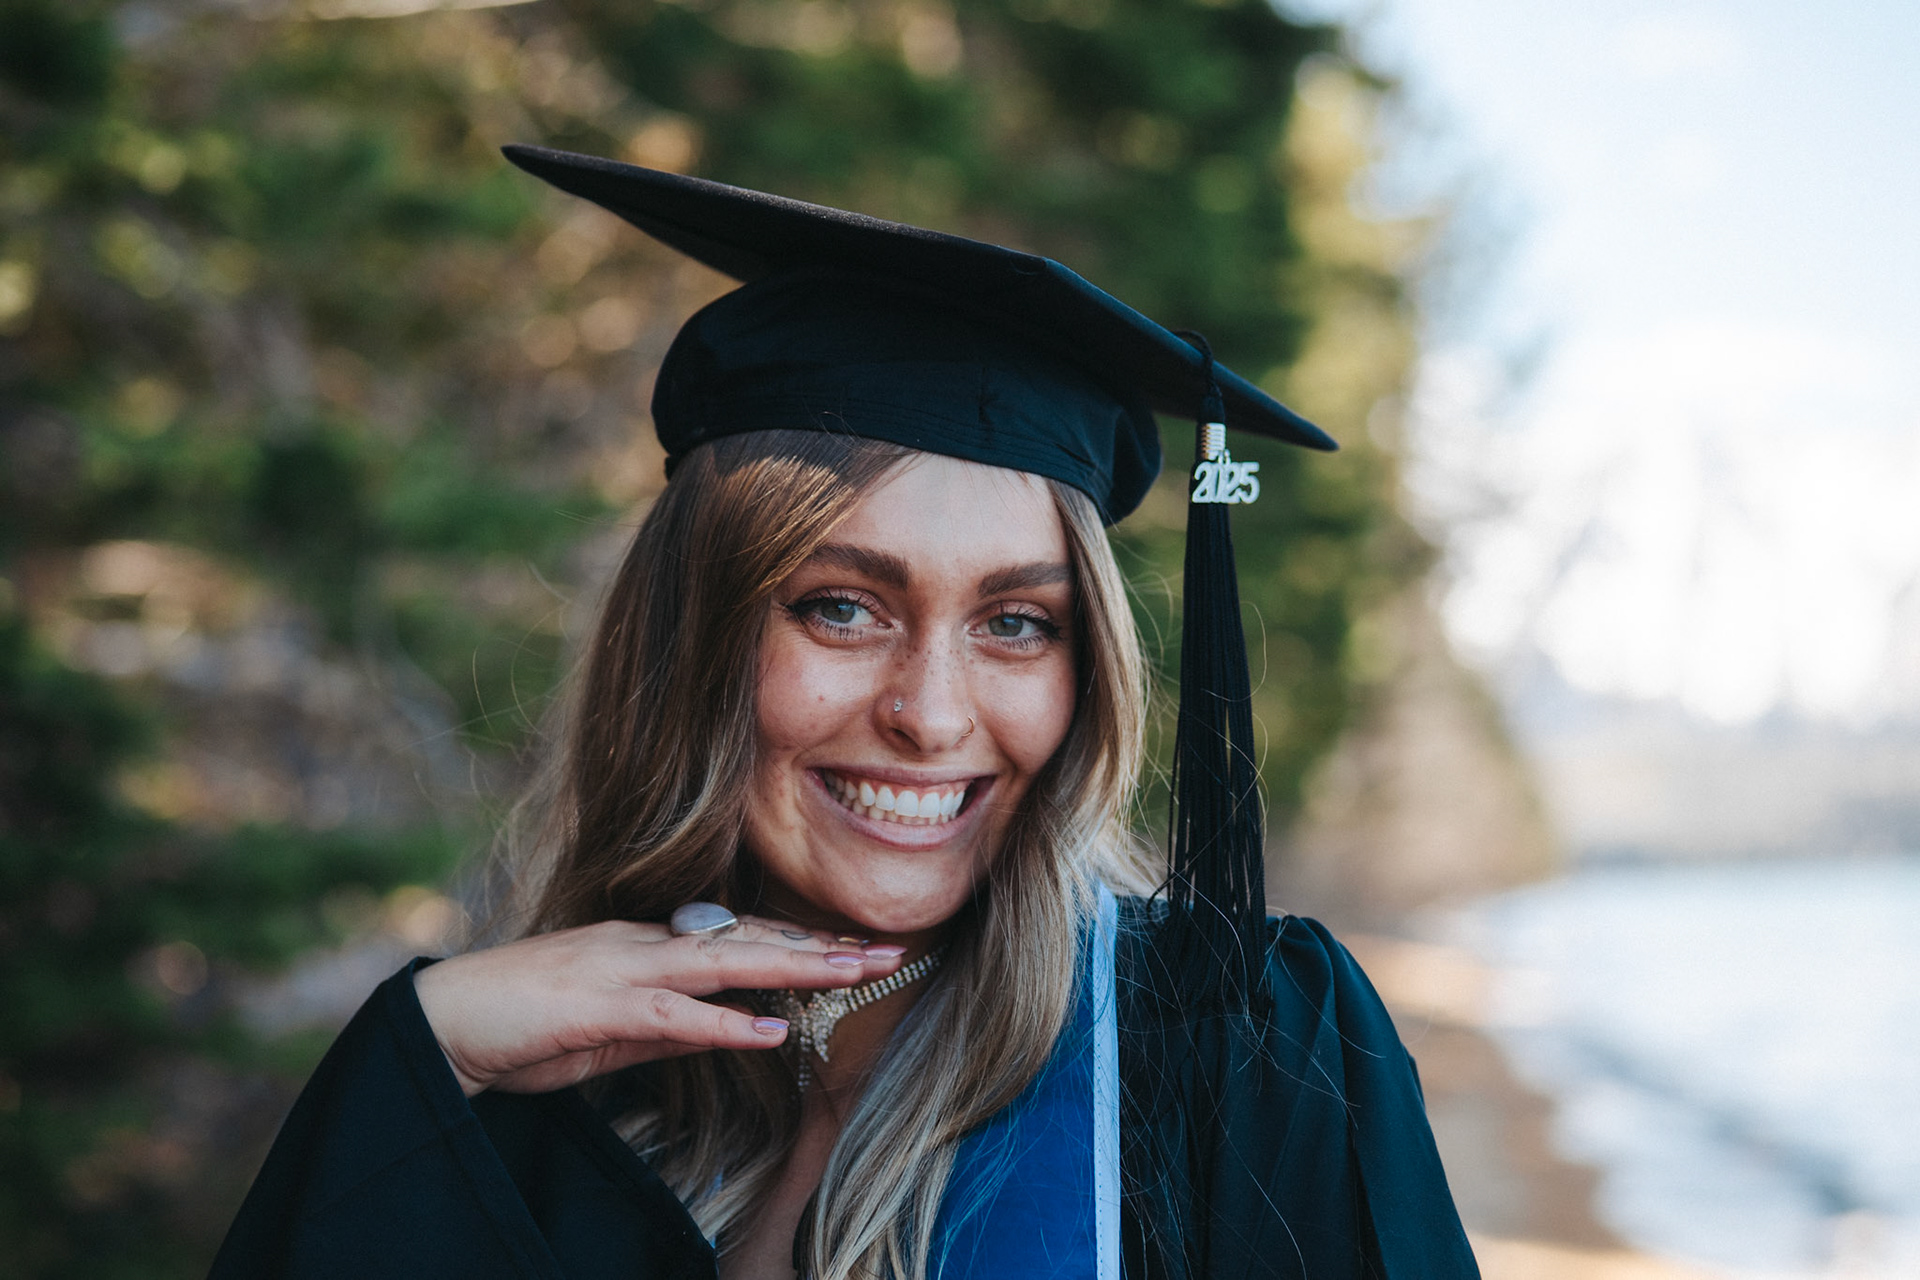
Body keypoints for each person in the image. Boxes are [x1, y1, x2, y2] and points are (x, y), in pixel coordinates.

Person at [210, 146, 1479, 1280]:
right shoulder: (566, 1100)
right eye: (839, 607)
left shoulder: (1227, 1049)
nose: (932, 715)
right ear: (693, 642)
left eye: (1016, 622)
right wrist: (433, 1049)